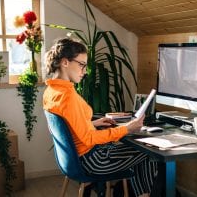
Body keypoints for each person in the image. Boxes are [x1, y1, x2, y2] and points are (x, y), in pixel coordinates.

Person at [43, 38, 158, 197]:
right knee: (149, 152)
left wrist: (94, 122)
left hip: (75, 159)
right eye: (82, 64)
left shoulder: (52, 91)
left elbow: (69, 124)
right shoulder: (67, 96)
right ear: (65, 62)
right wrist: (126, 128)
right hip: (93, 161)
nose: (85, 70)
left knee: (138, 149)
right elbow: (89, 139)